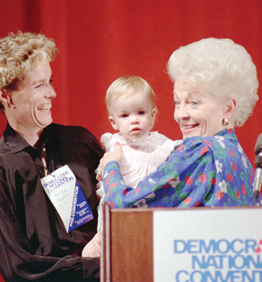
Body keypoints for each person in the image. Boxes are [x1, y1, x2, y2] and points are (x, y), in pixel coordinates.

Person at [97, 37, 259, 209]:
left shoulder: (199, 151)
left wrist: (110, 167)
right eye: (177, 102)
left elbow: (124, 207)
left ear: (228, 108)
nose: (180, 114)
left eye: (194, 103)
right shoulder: (242, 160)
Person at [0, 31, 102, 281]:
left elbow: (117, 208)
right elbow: (18, 267)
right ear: (5, 95)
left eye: (50, 81)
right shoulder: (1, 168)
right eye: (39, 85)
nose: (52, 93)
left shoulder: (80, 142)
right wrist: (93, 266)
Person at [97, 76, 181, 227]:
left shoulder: (164, 146)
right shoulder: (114, 144)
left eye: (141, 113)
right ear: (113, 122)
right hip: (117, 216)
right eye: (125, 116)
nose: (134, 120)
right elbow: (102, 174)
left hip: (152, 213)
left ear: (153, 115)